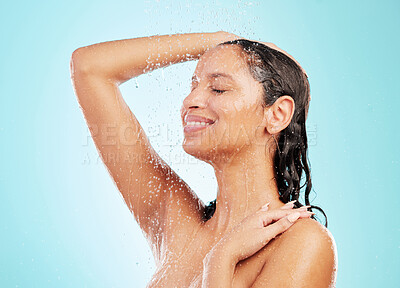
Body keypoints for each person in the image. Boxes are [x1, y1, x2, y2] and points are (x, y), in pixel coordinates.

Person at [70, 31, 337, 287]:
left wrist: (220, 261)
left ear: (277, 114)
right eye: (193, 86)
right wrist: (219, 42)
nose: (190, 100)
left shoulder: (302, 243)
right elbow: (89, 68)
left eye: (218, 89)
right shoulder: (176, 223)